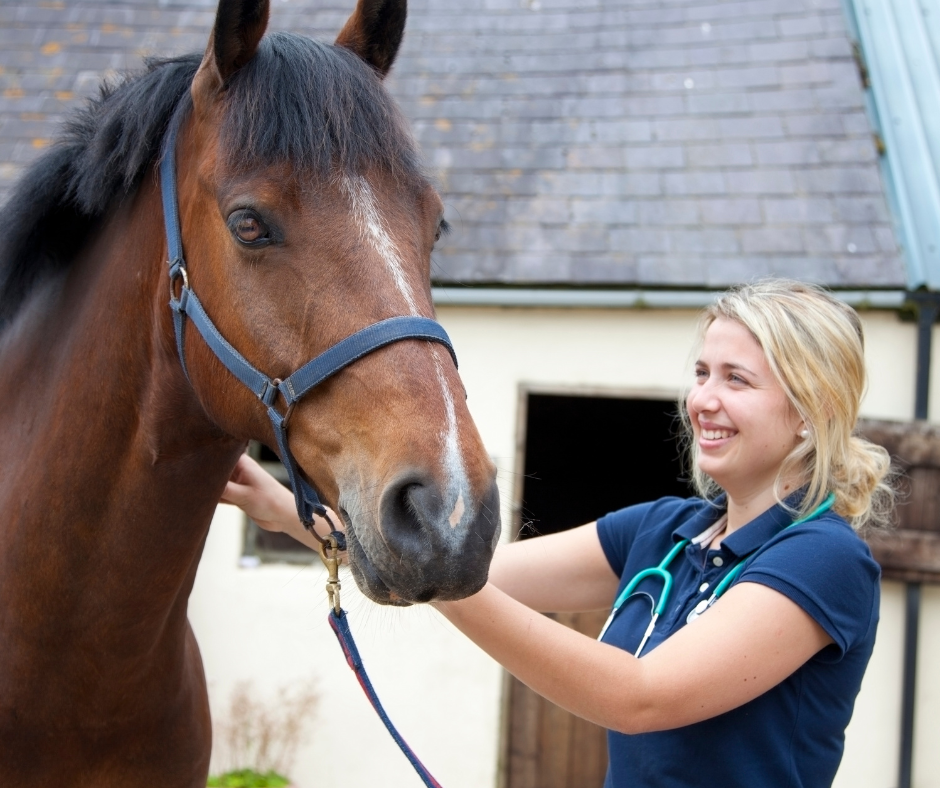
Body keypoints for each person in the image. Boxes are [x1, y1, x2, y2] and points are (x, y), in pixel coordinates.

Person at [223, 279, 893, 787]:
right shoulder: (665, 530)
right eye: (701, 373)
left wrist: (438, 576)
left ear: (813, 412)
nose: (703, 400)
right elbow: (473, 579)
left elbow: (641, 697)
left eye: (736, 380)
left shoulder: (823, 558)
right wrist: (292, 514)